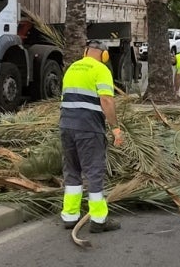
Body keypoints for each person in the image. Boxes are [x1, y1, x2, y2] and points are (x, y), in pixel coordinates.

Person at [60, 39, 124, 233]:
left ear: (86, 51)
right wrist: (115, 128)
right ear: (104, 55)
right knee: (94, 172)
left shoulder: (72, 68)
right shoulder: (101, 69)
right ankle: (98, 220)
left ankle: (70, 216)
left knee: (72, 171)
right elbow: (106, 99)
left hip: (66, 126)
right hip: (88, 128)